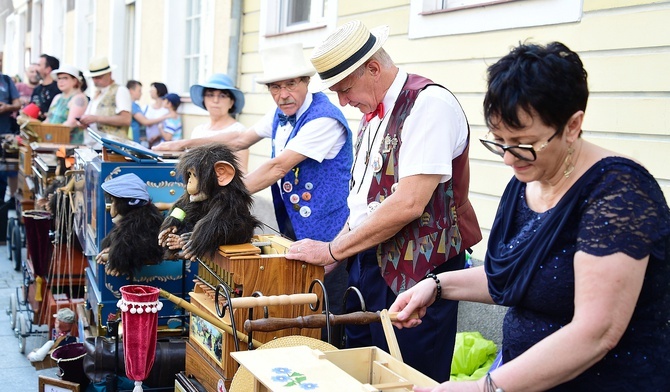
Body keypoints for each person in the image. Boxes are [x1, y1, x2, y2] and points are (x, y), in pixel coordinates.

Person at [390, 41, 670, 391]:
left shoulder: (620, 194)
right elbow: (518, 277)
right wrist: (436, 286)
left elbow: (597, 332)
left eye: (523, 143)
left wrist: (483, 388)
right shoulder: (528, 179)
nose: (509, 158)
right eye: (499, 142)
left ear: (572, 125)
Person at [285, 21, 482, 382]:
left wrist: (332, 251)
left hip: (419, 271)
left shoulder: (428, 104)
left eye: (345, 89)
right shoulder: (372, 113)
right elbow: (364, 201)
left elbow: (409, 203)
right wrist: (337, 249)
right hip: (368, 265)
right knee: (363, 372)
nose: (342, 101)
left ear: (373, 68)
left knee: (407, 377)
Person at [155, 44, 353, 340]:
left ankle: (330, 358)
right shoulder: (280, 113)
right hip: (294, 227)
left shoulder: (323, 118)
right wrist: (183, 145)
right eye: (275, 87)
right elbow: (240, 138)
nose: (282, 94)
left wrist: (217, 192)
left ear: (306, 82)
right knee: (298, 304)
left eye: (290, 84)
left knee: (327, 308)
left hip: (329, 230)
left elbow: (277, 167)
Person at [156, 73, 249, 171]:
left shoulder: (238, 130)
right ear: (204, 100)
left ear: (231, 102)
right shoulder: (198, 130)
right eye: (210, 95)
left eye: (222, 96)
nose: (215, 100)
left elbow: (242, 172)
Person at [78, 56, 132, 139]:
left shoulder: (120, 90)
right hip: (94, 143)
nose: (95, 80)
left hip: (112, 146)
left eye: (99, 77)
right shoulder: (97, 93)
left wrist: (96, 118)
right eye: (93, 77)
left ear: (109, 74)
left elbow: (126, 119)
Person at [44, 64, 89, 143]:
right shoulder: (57, 97)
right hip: (51, 141)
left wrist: (48, 132)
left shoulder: (79, 98)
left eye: (65, 78)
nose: (61, 81)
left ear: (75, 80)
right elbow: (48, 119)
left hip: (69, 145)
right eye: (59, 78)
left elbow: (71, 124)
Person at [30, 54, 62, 121]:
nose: (36, 69)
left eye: (39, 65)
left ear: (48, 69)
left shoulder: (59, 89)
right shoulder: (37, 89)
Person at [144, 82, 170, 147]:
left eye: (152, 90)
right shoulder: (147, 108)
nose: (150, 92)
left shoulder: (167, 109)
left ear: (159, 91)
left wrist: (158, 136)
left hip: (162, 144)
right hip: (147, 143)